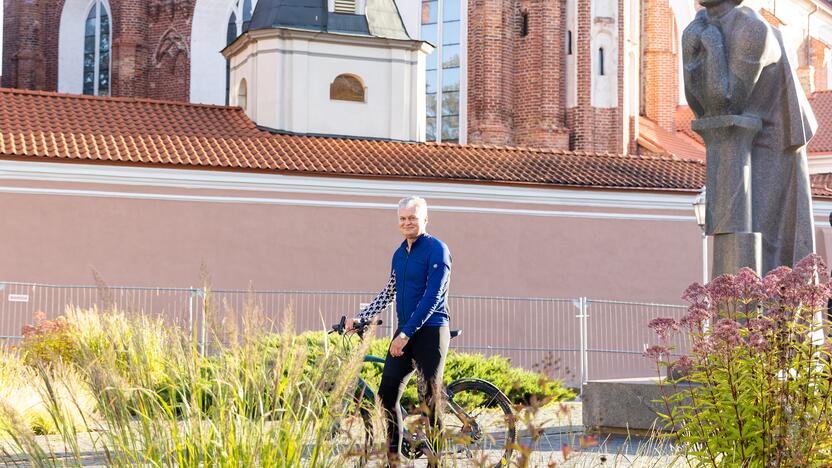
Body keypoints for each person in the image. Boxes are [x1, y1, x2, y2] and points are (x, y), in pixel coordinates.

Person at [682, 0, 817, 275]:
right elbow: (700, 107)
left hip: (771, 148)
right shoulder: (700, 26)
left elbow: (728, 100)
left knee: (767, 242)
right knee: (741, 241)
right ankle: (736, 312)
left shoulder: (752, 28)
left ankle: (764, 312)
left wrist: (712, 45)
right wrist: (692, 51)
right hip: (733, 145)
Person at [349, 196, 452, 466]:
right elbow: (390, 291)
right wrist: (362, 317)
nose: (407, 223)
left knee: (429, 399)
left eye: (413, 218)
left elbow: (433, 296)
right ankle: (395, 460)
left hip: (430, 331)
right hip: (405, 332)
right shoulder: (399, 254)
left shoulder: (437, 250)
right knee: (386, 396)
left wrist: (405, 334)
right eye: (403, 219)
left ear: (425, 220)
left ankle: (436, 462)